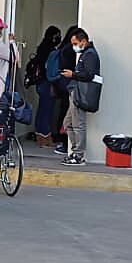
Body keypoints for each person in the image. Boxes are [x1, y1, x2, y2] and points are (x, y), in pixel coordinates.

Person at [59, 28, 100, 166]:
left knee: (78, 125)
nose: (74, 46)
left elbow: (89, 74)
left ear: (84, 41)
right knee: (68, 124)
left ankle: (78, 155)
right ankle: (75, 151)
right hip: (75, 92)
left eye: (75, 43)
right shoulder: (85, 53)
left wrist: (73, 75)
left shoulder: (90, 55)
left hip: (80, 94)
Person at [26, 25, 62, 147]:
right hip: (47, 83)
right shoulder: (52, 51)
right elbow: (50, 70)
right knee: (47, 111)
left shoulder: (42, 49)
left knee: (42, 110)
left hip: (40, 83)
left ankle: (39, 136)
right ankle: (46, 138)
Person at [51, 26, 83, 155]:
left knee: (64, 115)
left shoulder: (63, 49)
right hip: (69, 86)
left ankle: (63, 142)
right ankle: (66, 144)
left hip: (63, 84)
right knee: (69, 117)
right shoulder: (69, 50)